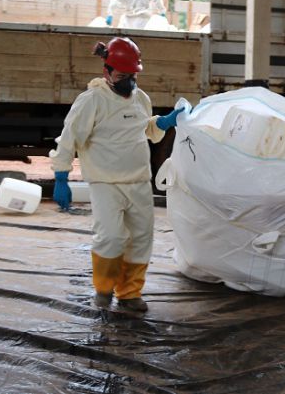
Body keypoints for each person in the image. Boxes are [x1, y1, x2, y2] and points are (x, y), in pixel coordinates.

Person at [50, 37, 185, 312]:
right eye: (122, 75)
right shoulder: (92, 101)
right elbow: (69, 138)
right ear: (107, 72)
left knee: (141, 238)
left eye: (132, 75)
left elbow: (145, 129)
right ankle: (103, 289)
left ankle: (130, 293)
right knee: (110, 237)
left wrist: (164, 122)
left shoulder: (141, 98)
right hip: (105, 183)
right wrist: (61, 177)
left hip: (138, 182)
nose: (128, 81)